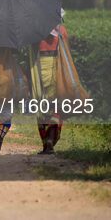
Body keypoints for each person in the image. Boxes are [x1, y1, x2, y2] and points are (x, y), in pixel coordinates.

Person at [29, 22, 68, 155]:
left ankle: (46, 143)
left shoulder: (35, 30)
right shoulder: (61, 30)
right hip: (56, 71)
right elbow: (67, 52)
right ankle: (51, 139)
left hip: (39, 70)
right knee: (56, 109)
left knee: (42, 108)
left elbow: (31, 49)